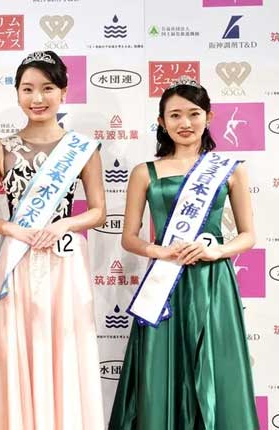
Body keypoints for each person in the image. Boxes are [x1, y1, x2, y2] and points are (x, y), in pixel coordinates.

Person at [0, 50, 106, 430]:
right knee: (14, 346)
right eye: (28, 89)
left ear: (64, 91)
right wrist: (15, 230)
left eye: (47, 88)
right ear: (16, 94)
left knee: (61, 345)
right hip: (19, 259)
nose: (37, 98)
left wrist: (63, 226)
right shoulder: (0, 148)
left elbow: (98, 211)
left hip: (64, 260)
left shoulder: (82, 148)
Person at [109, 77, 258, 430]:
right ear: (161, 122)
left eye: (193, 114)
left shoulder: (229, 169)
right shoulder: (144, 173)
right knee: (161, 369)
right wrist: (161, 250)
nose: (185, 123)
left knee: (217, 367)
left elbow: (249, 235)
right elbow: (129, 238)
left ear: (209, 116)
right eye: (174, 115)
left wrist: (215, 250)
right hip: (164, 283)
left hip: (213, 282)